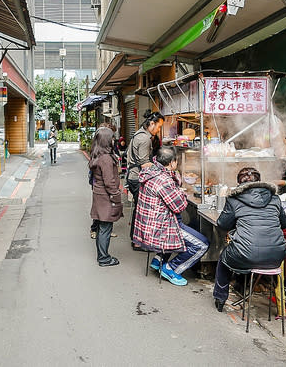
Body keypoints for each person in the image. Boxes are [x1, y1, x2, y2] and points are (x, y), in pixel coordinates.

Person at [213, 167, 286, 312]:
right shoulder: (275, 198)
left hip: (246, 255)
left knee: (225, 258)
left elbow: (222, 224)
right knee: (244, 249)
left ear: (239, 183)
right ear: (259, 181)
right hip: (277, 257)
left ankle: (220, 298)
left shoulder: (234, 199)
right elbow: (284, 224)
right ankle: (242, 287)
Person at [133, 146, 209, 286]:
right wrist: (181, 193)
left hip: (149, 224)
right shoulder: (164, 180)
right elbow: (179, 206)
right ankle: (170, 268)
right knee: (202, 244)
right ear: (172, 162)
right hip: (161, 228)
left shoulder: (151, 171)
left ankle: (158, 259)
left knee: (185, 224)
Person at [125, 110, 165, 249]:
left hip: (133, 176)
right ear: (151, 124)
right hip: (137, 178)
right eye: (159, 127)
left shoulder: (141, 134)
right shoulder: (144, 139)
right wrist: (162, 171)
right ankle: (137, 242)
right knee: (141, 210)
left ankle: (136, 240)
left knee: (139, 209)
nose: (159, 130)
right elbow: (144, 164)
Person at [89, 127, 122, 267]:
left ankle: (102, 256)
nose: (114, 140)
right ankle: (104, 258)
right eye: (112, 138)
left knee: (102, 227)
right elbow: (109, 182)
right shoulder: (106, 159)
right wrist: (116, 196)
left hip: (99, 194)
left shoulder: (97, 155)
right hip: (106, 197)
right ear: (106, 140)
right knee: (105, 228)